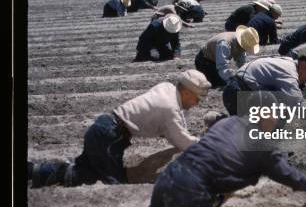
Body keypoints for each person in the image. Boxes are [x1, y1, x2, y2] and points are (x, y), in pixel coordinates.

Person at [72, 92, 306, 207]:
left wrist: (231, 188)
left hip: (170, 178)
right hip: (191, 191)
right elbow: (285, 173)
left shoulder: (228, 124)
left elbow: (219, 158)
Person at [28, 70, 211, 189]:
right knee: (115, 185)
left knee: (87, 172)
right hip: (110, 137)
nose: (197, 104)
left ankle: (36, 171)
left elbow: (174, 120)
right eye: (197, 99)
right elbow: (182, 141)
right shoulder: (170, 109)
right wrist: (207, 144)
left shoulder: (167, 87)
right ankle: (45, 171)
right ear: (187, 92)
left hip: (104, 127)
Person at [222, 48, 306, 115]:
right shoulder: (289, 73)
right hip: (237, 93)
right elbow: (297, 104)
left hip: (236, 89)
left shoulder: (288, 62)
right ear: (303, 65)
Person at [194, 26, 260, 87]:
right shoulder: (224, 44)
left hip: (215, 61)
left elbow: (242, 63)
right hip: (204, 62)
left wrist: (246, 76)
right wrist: (231, 80)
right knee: (222, 83)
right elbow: (222, 66)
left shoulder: (241, 41)